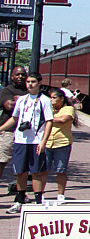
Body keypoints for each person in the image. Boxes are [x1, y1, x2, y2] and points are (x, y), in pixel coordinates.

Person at [0, 73, 53, 213]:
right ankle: (19, 200)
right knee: (20, 172)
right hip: (20, 140)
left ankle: (37, 201)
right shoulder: (21, 100)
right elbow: (14, 118)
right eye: (28, 82)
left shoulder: (45, 100)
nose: (30, 84)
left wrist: (43, 141)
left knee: (36, 172)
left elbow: (49, 121)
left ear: (39, 83)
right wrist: (1, 128)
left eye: (33, 82)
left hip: (36, 140)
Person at [40, 89, 80, 203]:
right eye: (51, 98)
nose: (51, 100)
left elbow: (64, 119)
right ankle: (40, 193)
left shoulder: (69, 109)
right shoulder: (49, 108)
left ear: (61, 99)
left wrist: (47, 119)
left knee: (61, 170)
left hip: (62, 143)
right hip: (47, 143)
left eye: (54, 98)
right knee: (44, 170)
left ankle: (61, 194)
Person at [0, 67, 28, 192]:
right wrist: (24, 102)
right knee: (1, 161)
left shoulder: (30, 91)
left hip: (27, 133)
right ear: (12, 77)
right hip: (8, 132)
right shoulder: (7, 90)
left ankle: (20, 192)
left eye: (23, 74)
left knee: (22, 165)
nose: (20, 77)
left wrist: (17, 101)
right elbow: (9, 105)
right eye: (17, 75)